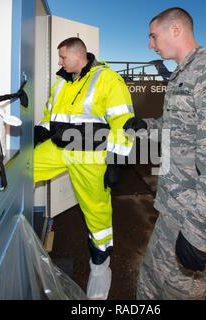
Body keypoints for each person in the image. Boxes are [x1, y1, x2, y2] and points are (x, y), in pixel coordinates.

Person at [124, 7, 206, 299]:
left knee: (182, 292)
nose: (150, 43)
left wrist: (202, 232)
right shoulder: (182, 75)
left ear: (175, 30)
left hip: (196, 216)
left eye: (152, 35)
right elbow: (179, 130)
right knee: (149, 284)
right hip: (174, 208)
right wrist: (144, 126)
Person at [34, 37, 134, 300]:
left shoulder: (108, 79)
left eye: (62, 57)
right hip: (58, 148)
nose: (59, 62)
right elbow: (49, 116)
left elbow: (123, 123)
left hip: (91, 156)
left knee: (97, 212)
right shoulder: (61, 83)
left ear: (79, 56)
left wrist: (116, 162)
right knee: (23, 169)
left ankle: (100, 266)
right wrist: (40, 131)